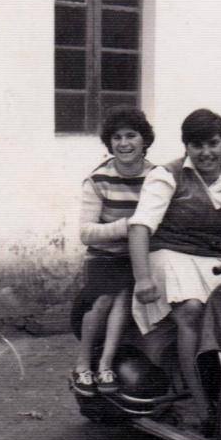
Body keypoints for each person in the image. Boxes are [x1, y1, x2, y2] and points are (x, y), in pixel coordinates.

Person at [129, 109, 221, 430]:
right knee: (191, 310)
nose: (206, 152)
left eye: (213, 143)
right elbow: (140, 227)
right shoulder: (167, 176)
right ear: (186, 146)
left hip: (211, 261)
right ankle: (201, 407)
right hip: (167, 254)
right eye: (197, 145)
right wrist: (142, 278)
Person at [70, 106, 155, 397]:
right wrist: (127, 227)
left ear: (144, 140)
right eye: (117, 137)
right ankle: (83, 364)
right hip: (104, 256)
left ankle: (106, 365)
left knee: (125, 297)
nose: (124, 143)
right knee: (107, 297)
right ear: (109, 142)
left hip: (140, 257)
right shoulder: (98, 180)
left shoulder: (156, 177)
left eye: (131, 135)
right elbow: (86, 233)